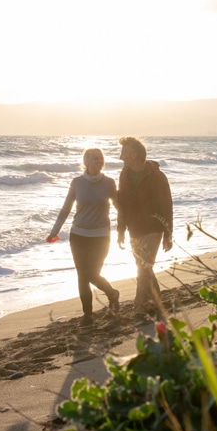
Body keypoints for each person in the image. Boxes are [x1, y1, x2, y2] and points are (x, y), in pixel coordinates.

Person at [47, 148, 120, 326]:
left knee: (92, 274)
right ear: (86, 161)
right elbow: (66, 208)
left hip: (101, 235)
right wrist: (55, 231)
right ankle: (88, 315)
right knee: (82, 275)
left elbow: (120, 206)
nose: (99, 161)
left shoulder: (109, 183)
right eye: (95, 158)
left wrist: (126, 227)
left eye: (101, 158)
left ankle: (112, 293)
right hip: (78, 235)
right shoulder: (77, 183)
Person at [117, 136, 173, 317]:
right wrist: (120, 230)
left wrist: (168, 234)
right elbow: (122, 204)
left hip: (153, 228)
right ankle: (157, 305)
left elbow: (167, 205)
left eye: (124, 152)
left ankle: (139, 309)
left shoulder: (157, 176)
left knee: (143, 270)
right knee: (145, 269)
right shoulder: (124, 174)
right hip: (134, 228)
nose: (120, 156)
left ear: (134, 154)